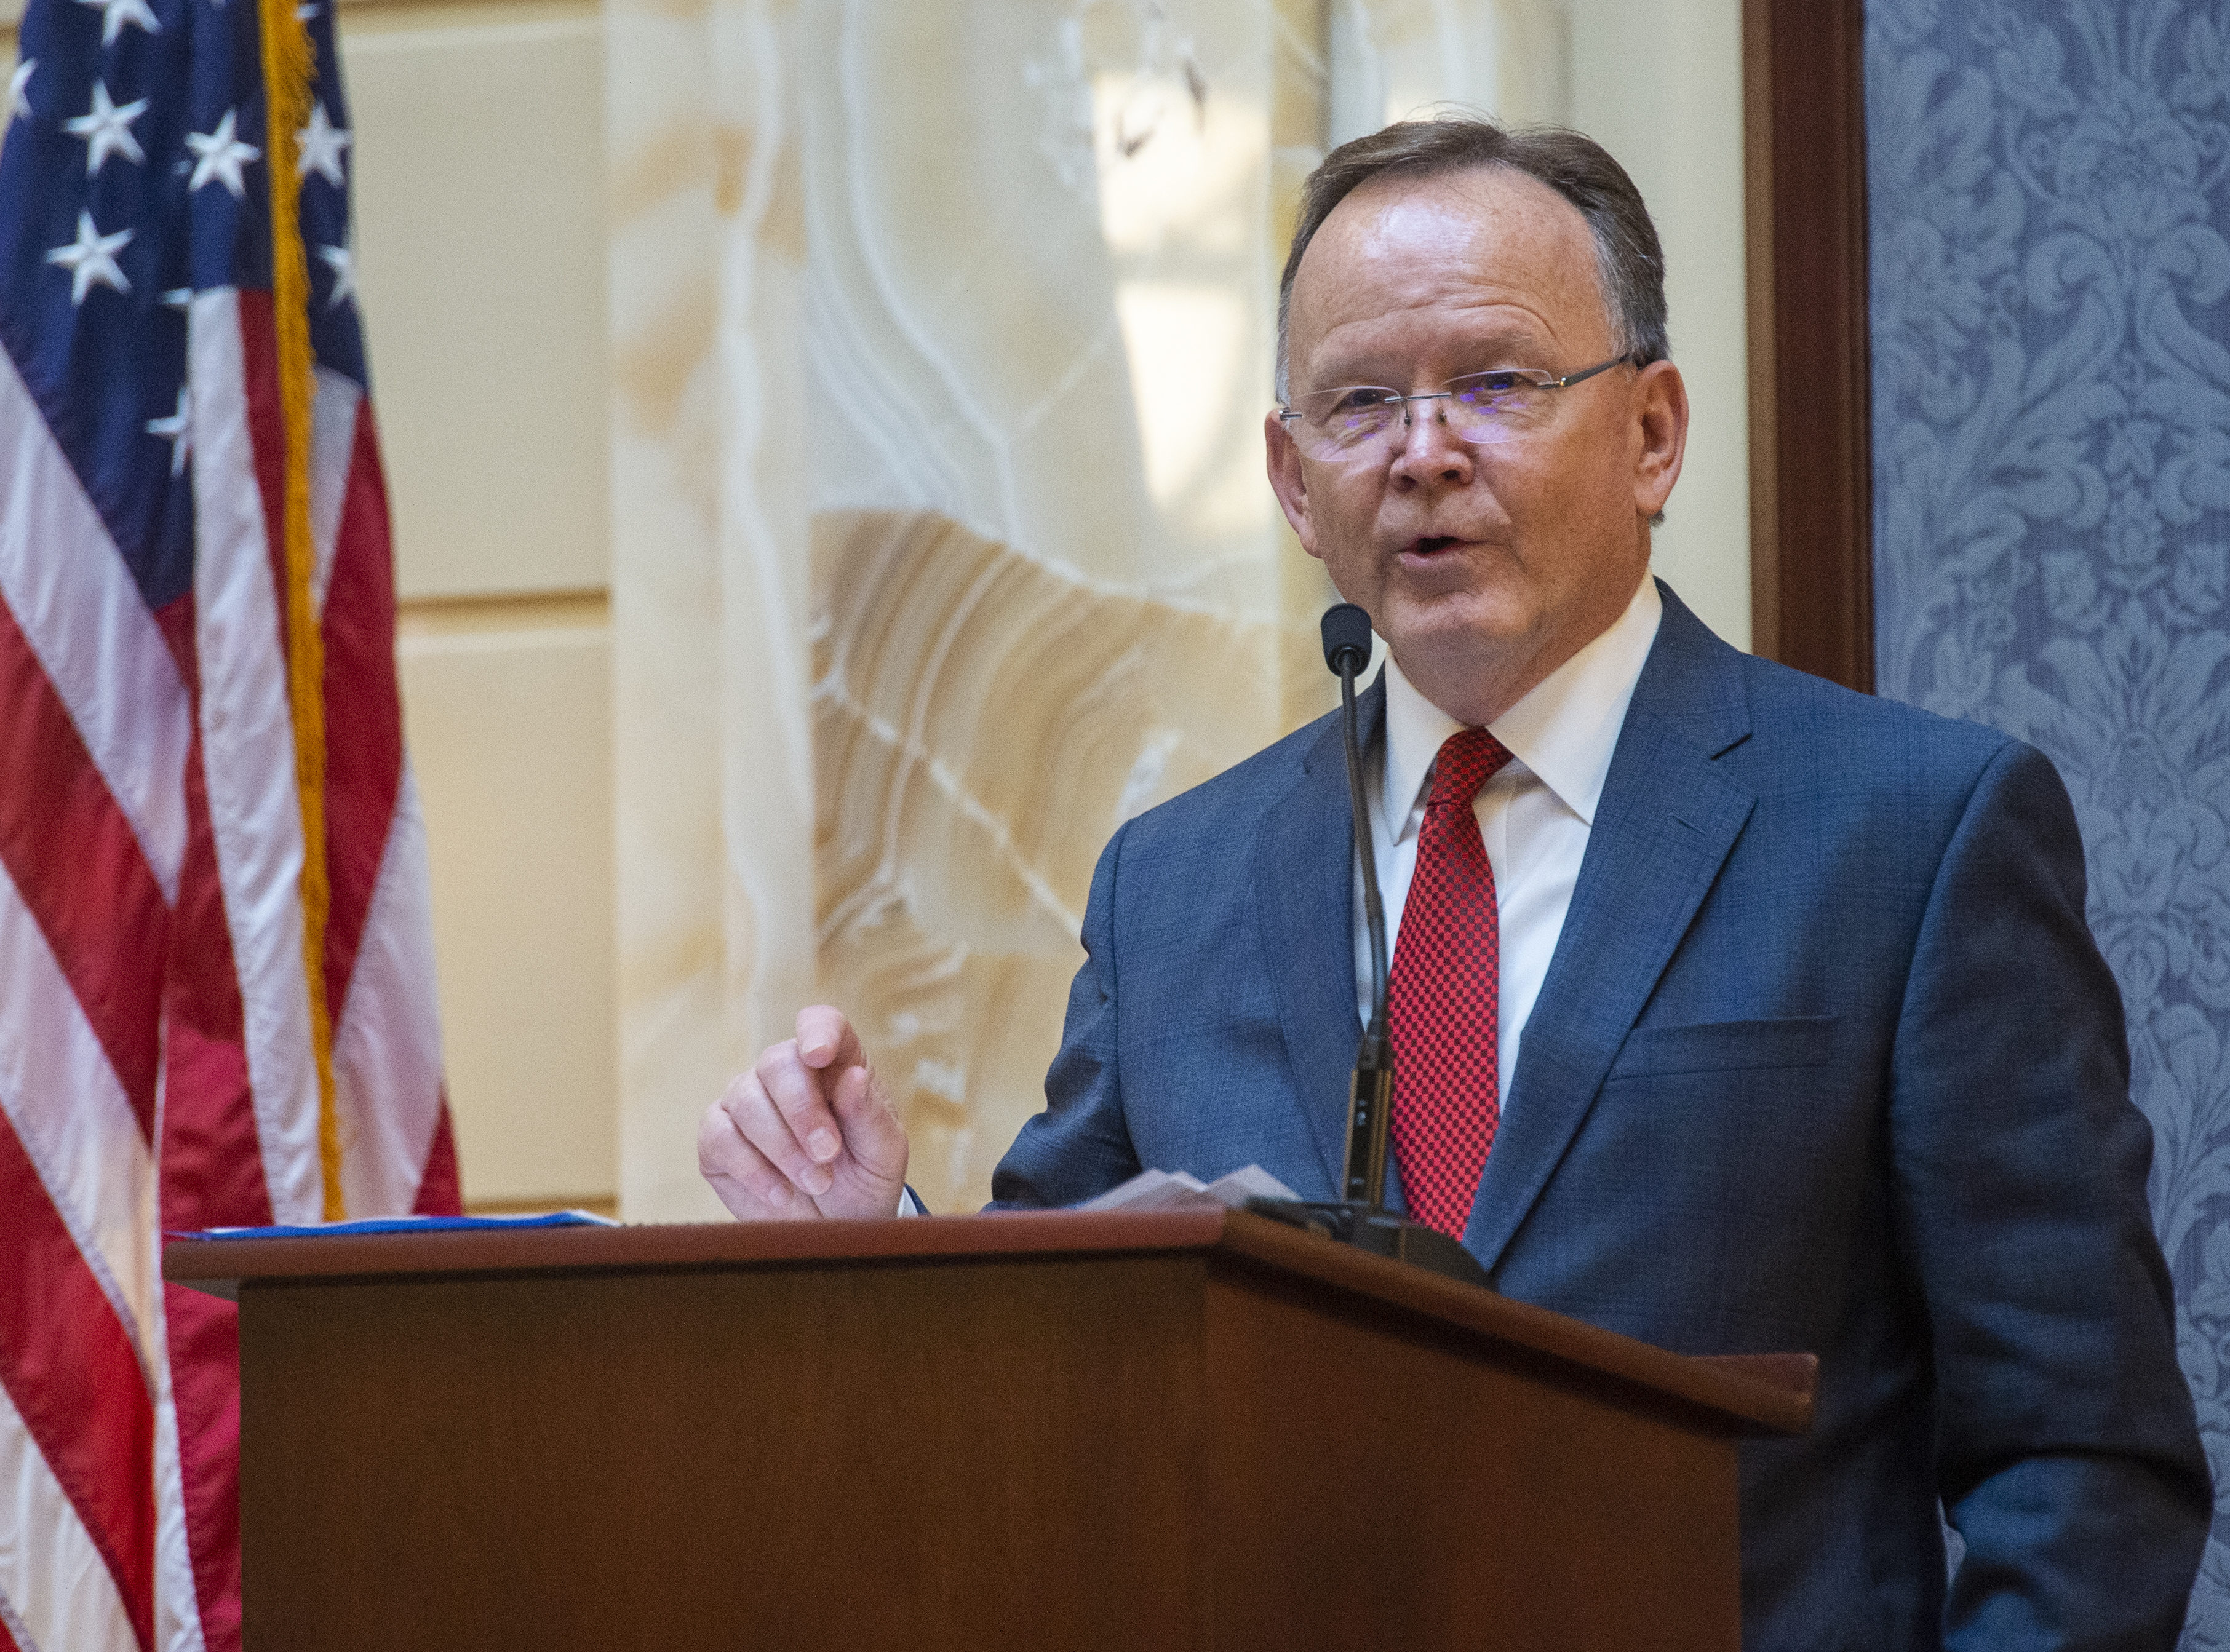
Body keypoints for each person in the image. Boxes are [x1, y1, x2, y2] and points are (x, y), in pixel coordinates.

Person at [698, 117, 2209, 1648]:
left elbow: (2079, 1462)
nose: (1423, 452)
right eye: (1360, 403)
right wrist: (865, 1234)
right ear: (1294, 481)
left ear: (1652, 433)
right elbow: (1054, 1388)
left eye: (1495, 382)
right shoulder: (1176, 885)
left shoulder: (1911, 833)